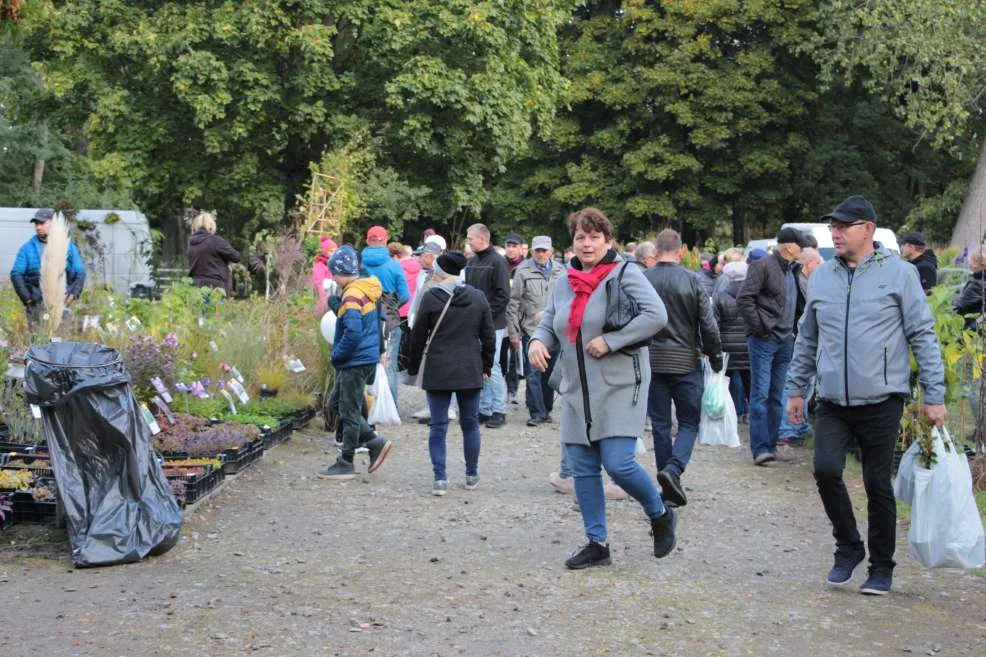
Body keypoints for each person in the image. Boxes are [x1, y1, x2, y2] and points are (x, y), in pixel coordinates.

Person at [786, 194, 946, 596]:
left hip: (882, 397)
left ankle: (881, 566)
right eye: (833, 227)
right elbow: (807, 337)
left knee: (877, 484)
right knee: (825, 469)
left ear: (868, 229)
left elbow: (922, 335)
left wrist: (934, 394)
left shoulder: (900, 274)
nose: (835, 234)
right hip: (833, 400)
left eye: (844, 227)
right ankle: (848, 546)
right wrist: (795, 389)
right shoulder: (822, 275)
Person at [528, 207, 674, 570]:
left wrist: (612, 340)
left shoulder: (626, 273)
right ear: (572, 243)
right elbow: (550, 319)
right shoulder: (566, 279)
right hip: (577, 386)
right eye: (580, 238)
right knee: (582, 467)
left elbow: (656, 315)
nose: (587, 244)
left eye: (594, 237)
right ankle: (598, 543)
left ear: (608, 241)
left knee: (619, 463)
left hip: (621, 383)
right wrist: (536, 341)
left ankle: (660, 512)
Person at [644, 229, 723, 507]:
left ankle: (667, 487)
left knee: (661, 424)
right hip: (686, 361)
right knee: (690, 422)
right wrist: (715, 356)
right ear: (680, 251)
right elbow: (708, 324)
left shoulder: (644, 279)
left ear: (655, 250)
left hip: (652, 361)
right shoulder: (692, 280)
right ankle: (674, 470)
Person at [407, 251, 495, 496]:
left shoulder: (430, 297)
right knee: (470, 424)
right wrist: (486, 366)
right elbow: (488, 337)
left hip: (438, 367)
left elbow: (418, 337)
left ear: (440, 272)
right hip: (470, 367)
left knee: (438, 425)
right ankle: (471, 473)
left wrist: (414, 368)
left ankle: (440, 478)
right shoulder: (478, 298)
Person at [317, 245, 394, 480]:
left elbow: (352, 332)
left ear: (340, 272)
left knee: (348, 410)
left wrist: (337, 355)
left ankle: (346, 461)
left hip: (354, 359)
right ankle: (373, 441)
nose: (332, 277)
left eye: (334, 273)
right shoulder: (363, 290)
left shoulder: (352, 296)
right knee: (337, 402)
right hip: (365, 356)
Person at [737, 227, 808, 465]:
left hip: (785, 340)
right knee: (760, 394)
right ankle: (760, 449)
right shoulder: (763, 266)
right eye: (801, 245)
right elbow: (745, 298)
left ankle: (771, 445)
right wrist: (760, 328)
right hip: (764, 340)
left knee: (777, 396)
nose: (804, 249)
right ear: (790, 246)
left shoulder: (792, 270)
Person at [507, 235, 564, 427]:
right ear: (531, 251)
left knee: (549, 373)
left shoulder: (560, 271)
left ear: (551, 251)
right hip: (530, 331)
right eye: (537, 250)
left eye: (544, 250)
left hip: (555, 332)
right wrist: (514, 332)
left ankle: (546, 409)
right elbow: (513, 304)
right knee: (533, 374)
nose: (540, 254)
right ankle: (536, 412)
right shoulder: (522, 271)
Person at [464, 224, 511, 429]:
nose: (468, 242)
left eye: (470, 238)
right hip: (474, 323)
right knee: (478, 364)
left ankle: (499, 409)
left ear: (482, 239)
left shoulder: (498, 262)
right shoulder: (471, 262)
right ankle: (484, 408)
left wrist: (485, 316)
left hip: (493, 324)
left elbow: (503, 295)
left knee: (493, 364)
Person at [777, 247, 824, 448]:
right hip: (795, 339)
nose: (821, 268)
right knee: (796, 383)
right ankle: (789, 428)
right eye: (819, 263)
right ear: (809, 263)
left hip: (798, 337)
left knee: (805, 385)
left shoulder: (802, 280)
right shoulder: (796, 281)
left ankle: (799, 425)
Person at [11, 208, 86, 331]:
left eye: (42, 223)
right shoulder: (27, 248)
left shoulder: (68, 247)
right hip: (36, 304)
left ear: (53, 223)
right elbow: (16, 274)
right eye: (36, 224)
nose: (38, 227)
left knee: (60, 342)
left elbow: (80, 272)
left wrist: (73, 294)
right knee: (38, 342)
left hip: (60, 303)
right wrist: (28, 299)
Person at [361, 226, 410, 404]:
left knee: (363, 367)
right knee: (388, 366)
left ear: (367, 241)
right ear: (386, 242)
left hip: (362, 321)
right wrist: (393, 306)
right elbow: (405, 296)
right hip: (389, 322)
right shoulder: (394, 265)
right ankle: (391, 409)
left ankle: (366, 409)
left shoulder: (359, 263)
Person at [713, 258, 751, 424]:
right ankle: (751, 415)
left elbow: (714, 323)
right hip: (748, 346)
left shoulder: (720, 297)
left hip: (726, 347)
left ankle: (726, 415)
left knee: (723, 383)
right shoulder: (752, 296)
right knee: (750, 384)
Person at [187, 211, 241, 294]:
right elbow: (236, 257)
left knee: (198, 307)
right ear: (211, 226)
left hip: (194, 286)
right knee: (215, 307)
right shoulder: (216, 241)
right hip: (214, 286)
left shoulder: (191, 244)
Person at [502, 232, 526, 406]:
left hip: (518, 317)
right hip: (500, 316)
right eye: (508, 246)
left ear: (521, 248)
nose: (510, 249)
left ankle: (512, 389)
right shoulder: (500, 265)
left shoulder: (525, 267)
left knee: (514, 356)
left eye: (514, 246)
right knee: (500, 355)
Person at [953, 245, 986, 324]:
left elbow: (958, 307)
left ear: (981, 264)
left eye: (971, 261)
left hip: (971, 328)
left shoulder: (977, 285)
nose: (970, 264)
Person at [311, 236, 338, 313]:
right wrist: (323, 298)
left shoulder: (335, 263)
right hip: (324, 293)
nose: (334, 253)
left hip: (334, 293)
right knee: (323, 311)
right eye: (331, 251)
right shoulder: (320, 265)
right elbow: (319, 283)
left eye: (335, 251)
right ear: (325, 251)